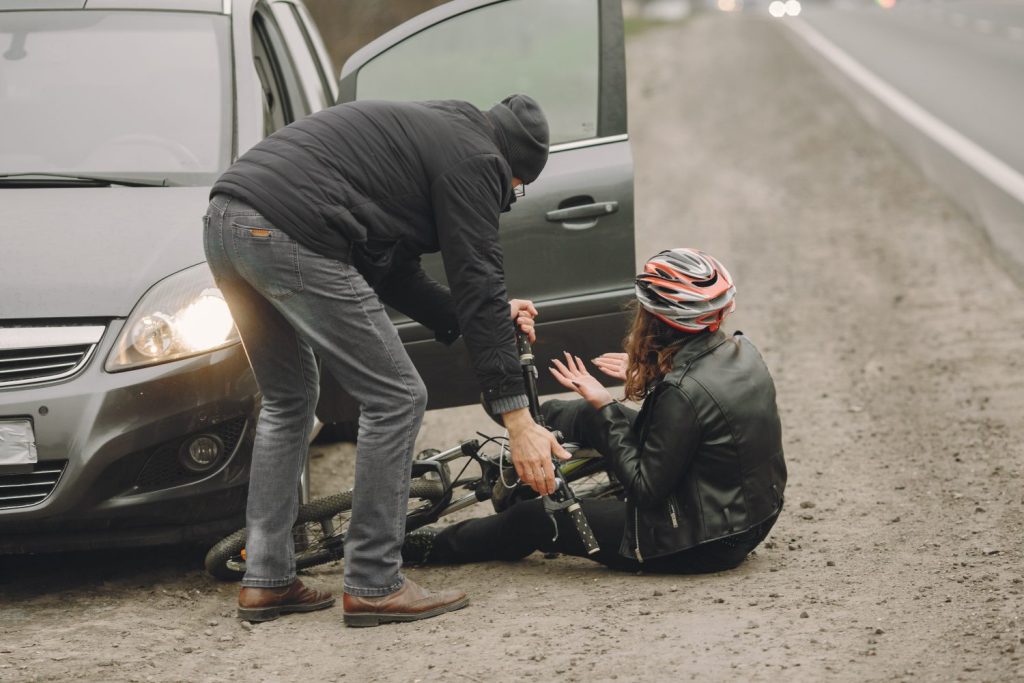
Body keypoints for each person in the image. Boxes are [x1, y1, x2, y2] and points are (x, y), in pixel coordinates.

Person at [203, 94, 571, 626]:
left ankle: (267, 579)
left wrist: (479, 316)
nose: (510, 196)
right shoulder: (478, 161)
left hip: (226, 222)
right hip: (288, 229)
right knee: (396, 395)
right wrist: (518, 418)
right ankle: (374, 580)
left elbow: (395, 272)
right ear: (512, 168)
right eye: (516, 188)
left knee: (288, 400)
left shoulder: (437, 134)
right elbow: (480, 280)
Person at [402, 248, 788, 574]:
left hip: (699, 541)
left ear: (658, 320)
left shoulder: (680, 393)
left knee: (532, 519)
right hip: (751, 515)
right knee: (589, 417)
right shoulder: (741, 351)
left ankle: (424, 548)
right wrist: (651, 375)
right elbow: (704, 416)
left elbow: (645, 488)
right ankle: (529, 426)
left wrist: (606, 403)